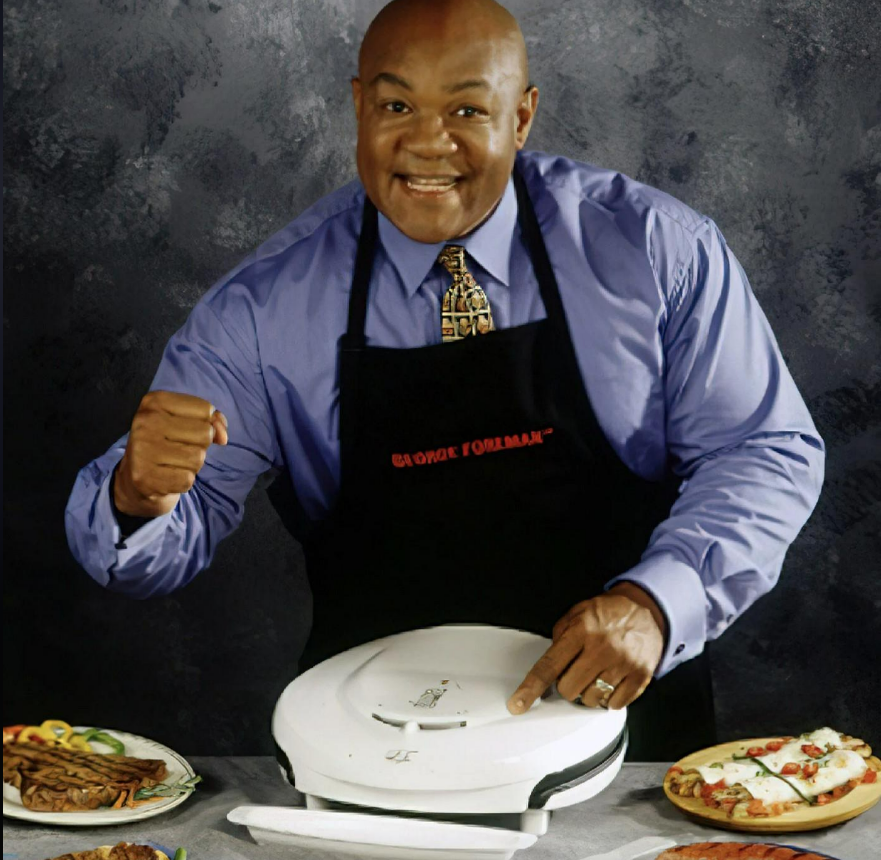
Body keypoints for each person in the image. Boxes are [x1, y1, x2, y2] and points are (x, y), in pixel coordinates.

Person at [65, 0, 824, 760]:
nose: (428, 143)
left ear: (522, 118)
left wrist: (658, 604)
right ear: (357, 105)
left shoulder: (654, 249)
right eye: (396, 105)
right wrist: (138, 497)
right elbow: (158, 546)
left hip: (625, 739)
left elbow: (762, 451)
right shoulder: (262, 308)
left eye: (467, 108)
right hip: (371, 760)